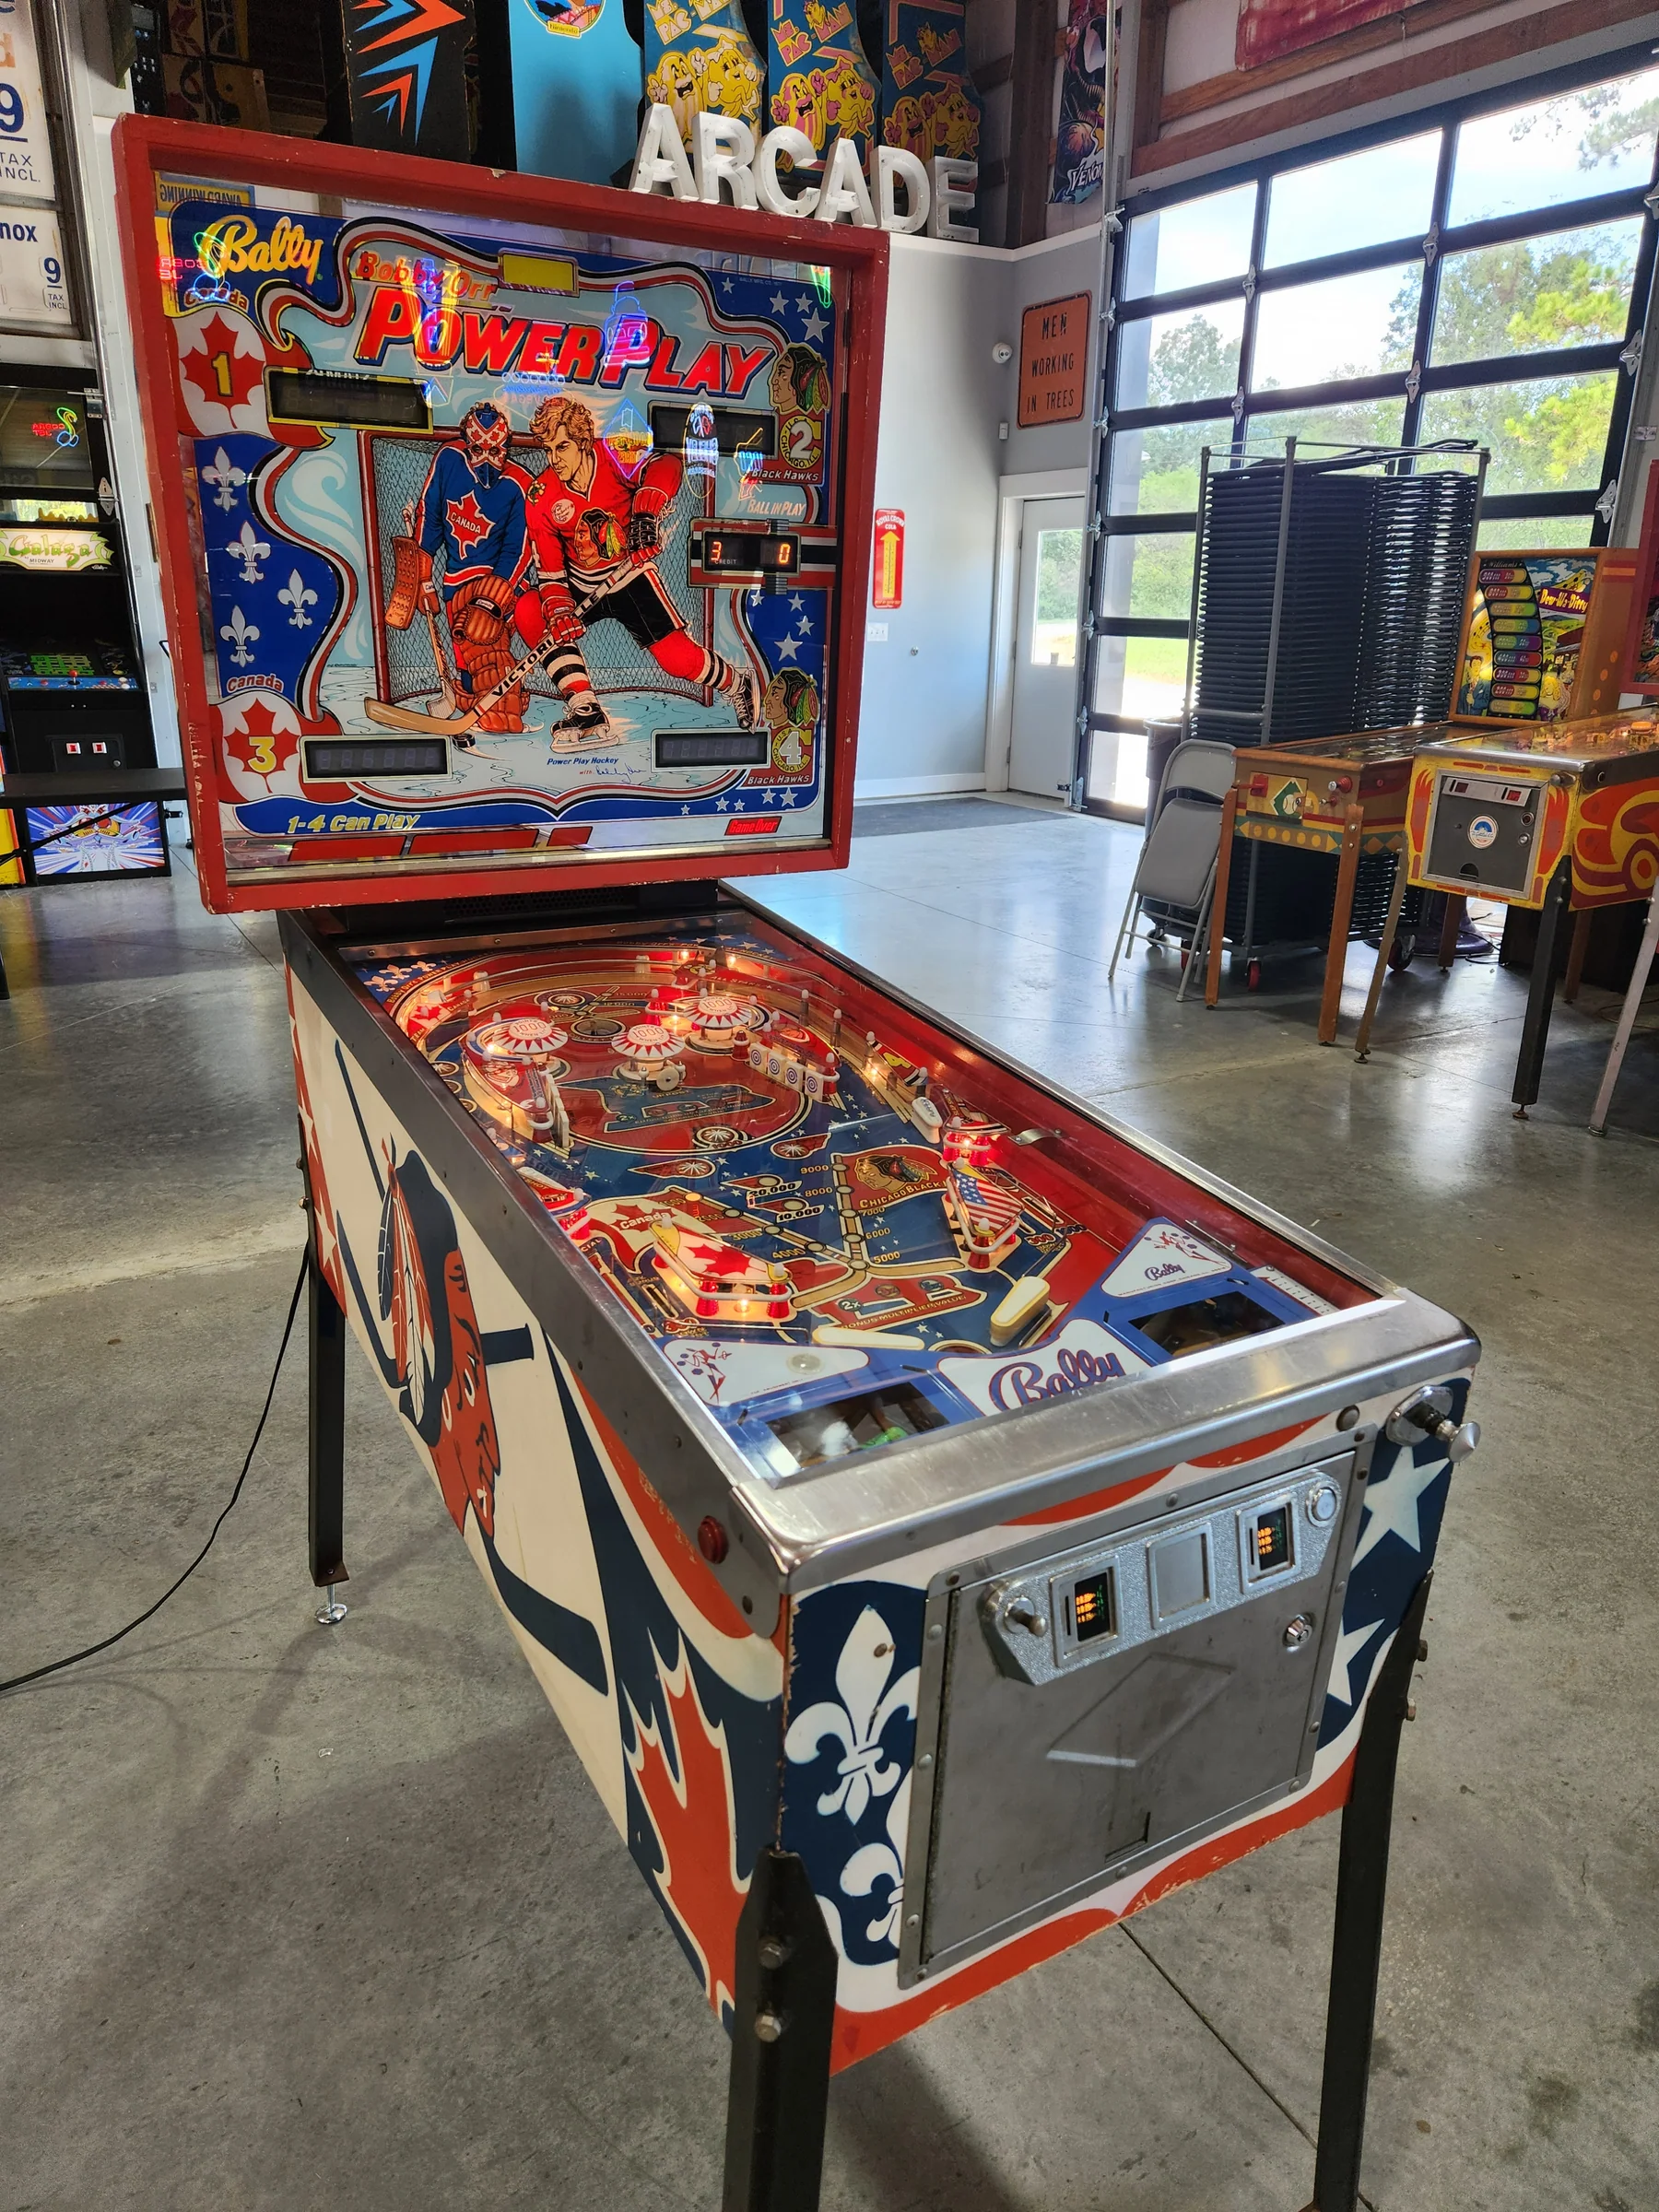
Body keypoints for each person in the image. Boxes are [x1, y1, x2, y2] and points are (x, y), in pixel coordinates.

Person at [521, 394, 756, 748]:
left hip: (628, 574)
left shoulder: (615, 451)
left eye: (563, 447)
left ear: (583, 441)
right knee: (529, 610)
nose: (555, 460)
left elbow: (667, 465)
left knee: (678, 660)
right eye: (549, 450)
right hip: (581, 583)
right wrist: (559, 611)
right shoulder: (541, 496)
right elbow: (551, 571)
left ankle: (738, 683)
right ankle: (584, 705)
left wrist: (645, 512)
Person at [407, 403, 535, 735]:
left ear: (506, 447)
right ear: (467, 443)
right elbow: (430, 515)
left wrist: (491, 600)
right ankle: (468, 696)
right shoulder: (449, 459)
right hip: (456, 579)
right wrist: (424, 578)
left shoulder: (519, 483)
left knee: (484, 642)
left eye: (496, 451)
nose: (487, 459)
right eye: (478, 449)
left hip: (500, 582)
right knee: (464, 655)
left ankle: (503, 714)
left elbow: (519, 550)